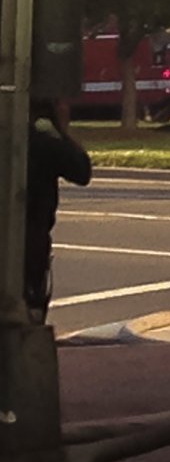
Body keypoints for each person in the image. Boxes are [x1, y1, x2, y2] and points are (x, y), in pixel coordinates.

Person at [25, 99, 94, 321]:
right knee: (30, 309)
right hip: (31, 239)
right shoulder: (44, 144)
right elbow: (82, 171)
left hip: (31, 236)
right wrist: (64, 131)